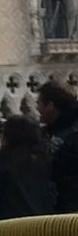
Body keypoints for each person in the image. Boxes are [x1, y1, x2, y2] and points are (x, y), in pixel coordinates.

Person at [37, 80, 78, 212]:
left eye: (39, 103)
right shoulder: (52, 130)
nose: (37, 108)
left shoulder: (72, 133)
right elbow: (22, 132)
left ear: (50, 105)